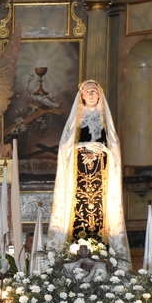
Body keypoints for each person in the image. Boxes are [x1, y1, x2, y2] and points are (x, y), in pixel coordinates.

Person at [46, 80, 129, 264]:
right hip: (79, 173)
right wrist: (84, 148)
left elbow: (114, 149)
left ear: (100, 94)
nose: (91, 94)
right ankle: (74, 248)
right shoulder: (75, 120)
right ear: (82, 96)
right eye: (88, 92)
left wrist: (99, 150)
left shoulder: (106, 121)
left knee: (100, 212)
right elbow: (64, 147)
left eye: (94, 91)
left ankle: (102, 249)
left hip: (101, 174)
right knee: (78, 210)